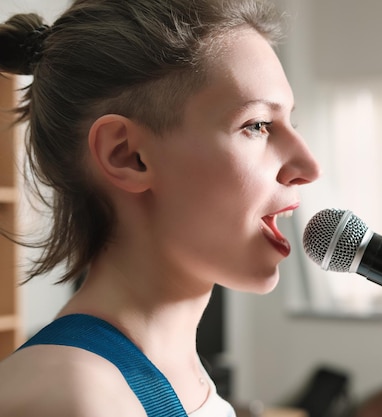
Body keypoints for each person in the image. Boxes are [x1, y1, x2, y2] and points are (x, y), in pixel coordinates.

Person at [0, 0, 320, 415]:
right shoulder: (75, 397)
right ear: (128, 155)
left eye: (291, 123)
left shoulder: (177, 375)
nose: (309, 168)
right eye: (257, 125)